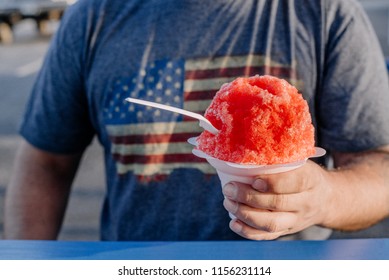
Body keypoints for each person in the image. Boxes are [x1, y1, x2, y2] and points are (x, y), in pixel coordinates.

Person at [4, 0, 389, 241]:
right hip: (138, 266)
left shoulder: (324, 13)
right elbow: (46, 161)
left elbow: (379, 169)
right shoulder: (93, 17)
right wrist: (24, 264)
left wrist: (323, 197)